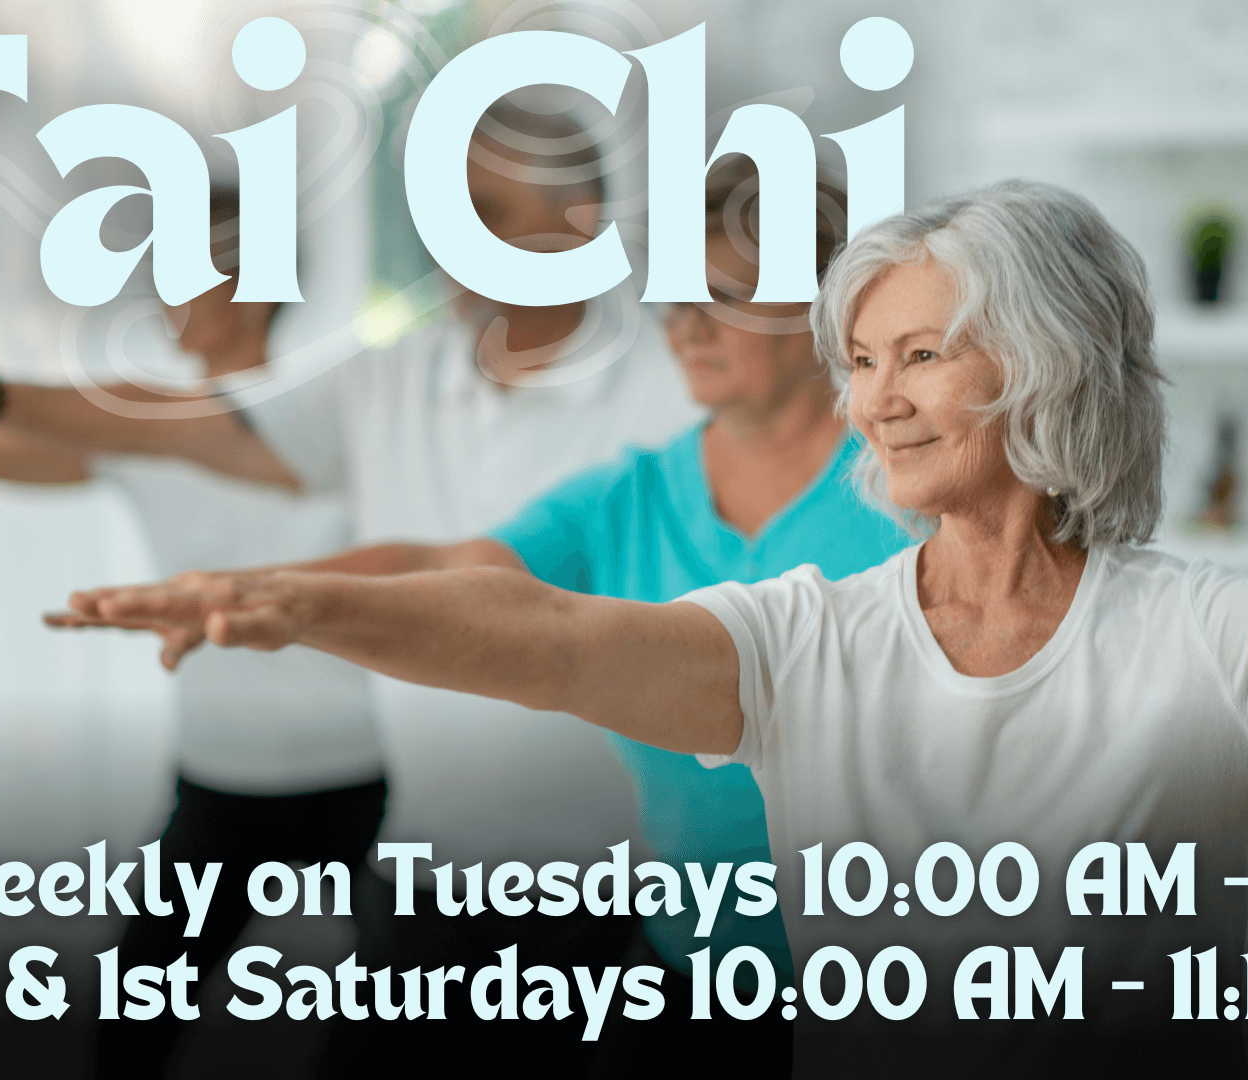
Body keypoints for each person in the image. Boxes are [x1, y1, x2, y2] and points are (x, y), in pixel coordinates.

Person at [52, 179, 1248, 1074]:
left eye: (923, 354)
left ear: (1047, 366)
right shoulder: (798, 640)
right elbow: (541, 635)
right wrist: (291, 599)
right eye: (867, 357)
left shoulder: (1208, 636)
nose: (880, 397)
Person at [0, 99, 703, 1064]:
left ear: (579, 228)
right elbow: (178, 427)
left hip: (629, 883)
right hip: (427, 859)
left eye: (486, 211)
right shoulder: (379, 383)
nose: (453, 244)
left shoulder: (680, 387)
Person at [94, 157, 909, 1074]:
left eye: (722, 298)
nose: (686, 329)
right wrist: (282, 596)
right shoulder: (629, 495)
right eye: (675, 299)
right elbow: (455, 569)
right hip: (695, 979)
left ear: (828, 313)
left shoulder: (917, 494)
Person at [0, 193, 387, 1078]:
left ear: (256, 286)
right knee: (135, 1021)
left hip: (369, 778)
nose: (164, 289)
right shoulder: (132, 430)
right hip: (226, 779)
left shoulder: (345, 417)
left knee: (412, 1013)